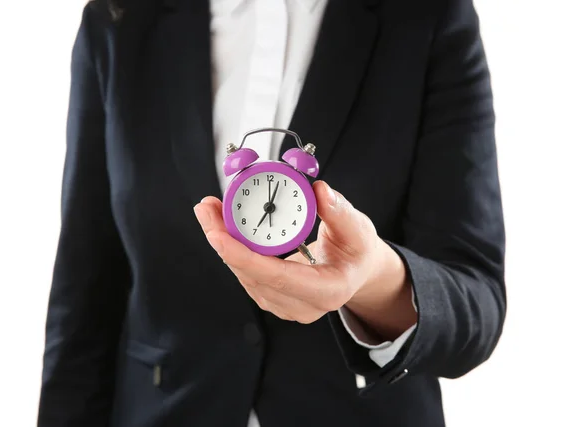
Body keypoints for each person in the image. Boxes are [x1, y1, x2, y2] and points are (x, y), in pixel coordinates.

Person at [37, 0, 506, 425]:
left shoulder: (428, 16)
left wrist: (371, 280)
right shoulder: (120, 19)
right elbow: (85, 292)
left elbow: (476, 303)